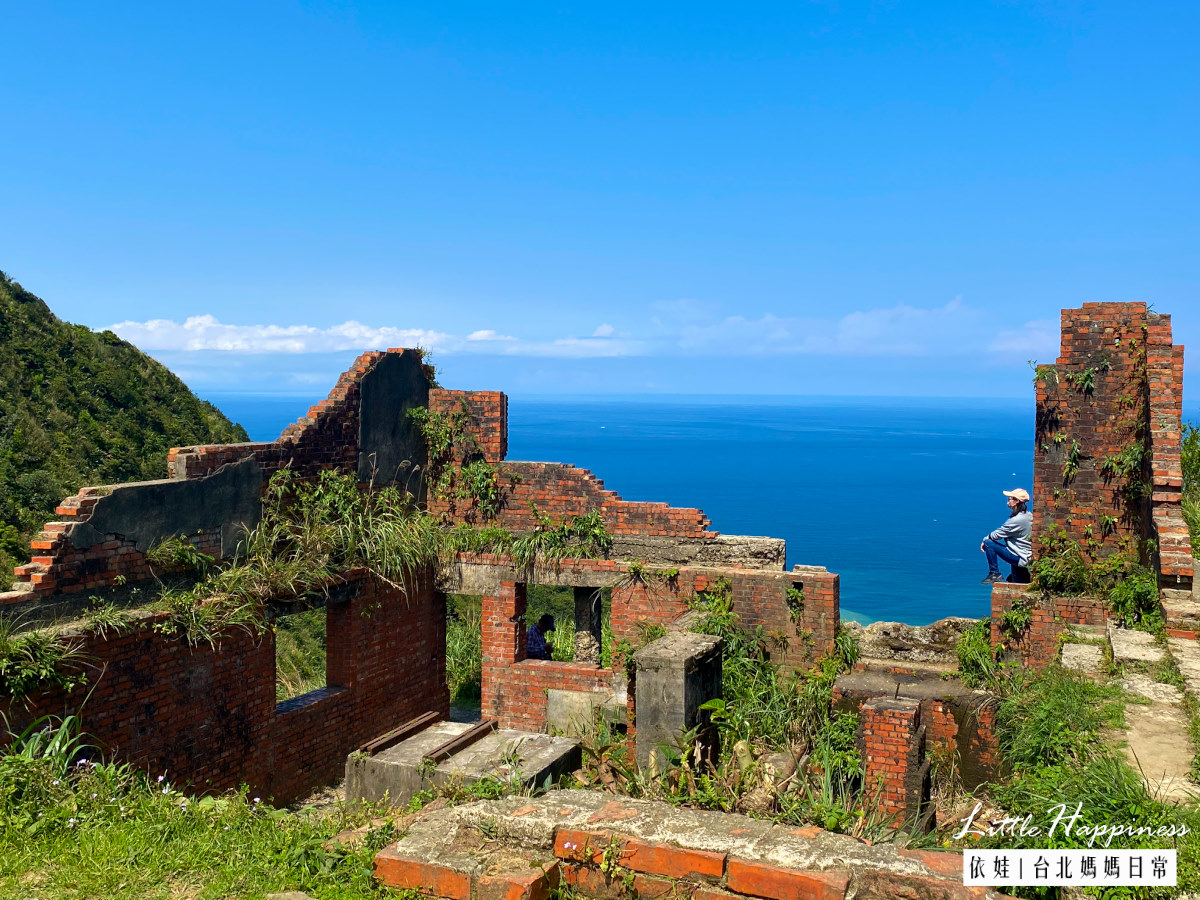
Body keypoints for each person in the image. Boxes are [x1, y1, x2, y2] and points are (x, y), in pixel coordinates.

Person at [980, 488, 1033, 584]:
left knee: (988, 543)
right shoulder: (1028, 515)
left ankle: (994, 573)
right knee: (1019, 583)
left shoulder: (1017, 520)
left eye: (1010, 499)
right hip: (1023, 555)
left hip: (1019, 557)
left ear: (1017, 501)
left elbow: (997, 534)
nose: (1008, 501)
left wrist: (985, 539)